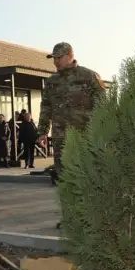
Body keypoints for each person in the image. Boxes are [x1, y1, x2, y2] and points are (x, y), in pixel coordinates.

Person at [36, 42, 106, 185]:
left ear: (69, 56)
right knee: (63, 179)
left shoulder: (89, 76)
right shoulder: (51, 82)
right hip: (60, 138)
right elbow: (46, 107)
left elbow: (103, 106)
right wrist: (43, 132)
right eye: (53, 58)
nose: (55, 62)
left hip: (84, 137)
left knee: (86, 177)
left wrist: (101, 133)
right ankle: (68, 207)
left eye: (58, 58)